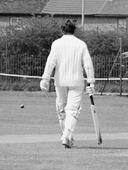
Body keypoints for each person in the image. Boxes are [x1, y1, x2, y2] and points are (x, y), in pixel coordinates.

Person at [40, 20, 95, 148]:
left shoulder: (57, 43)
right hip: (77, 81)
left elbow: (50, 62)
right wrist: (91, 82)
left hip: (60, 81)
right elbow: (88, 64)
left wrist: (45, 79)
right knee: (72, 110)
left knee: (62, 109)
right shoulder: (81, 44)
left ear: (62, 30)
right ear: (74, 30)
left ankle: (66, 135)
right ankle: (67, 135)